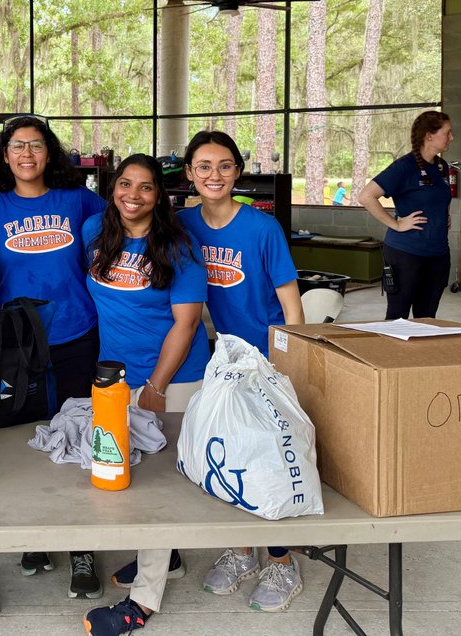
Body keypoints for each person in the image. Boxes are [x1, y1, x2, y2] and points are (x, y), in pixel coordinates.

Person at [174, 130, 305, 617]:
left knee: (268, 454)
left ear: (238, 172)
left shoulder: (260, 228)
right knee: (228, 454)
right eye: (204, 166)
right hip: (221, 359)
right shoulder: (182, 224)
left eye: (225, 166)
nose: (214, 175)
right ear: (188, 172)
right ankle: (243, 550)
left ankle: (282, 560)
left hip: (267, 356)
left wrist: (293, 363)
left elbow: (292, 303)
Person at [0, 114, 107, 599]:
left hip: (77, 333)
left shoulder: (79, 201)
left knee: (78, 440)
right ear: (4, 156)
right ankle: (35, 535)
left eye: (35, 145)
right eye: (17, 146)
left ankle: (81, 546)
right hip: (16, 341)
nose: (27, 154)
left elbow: (129, 221)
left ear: (49, 153)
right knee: (24, 444)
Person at [82, 154, 209, 635]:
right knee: (126, 473)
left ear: (161, 195)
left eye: (147, 187)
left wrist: (156, 386)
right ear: (113, 186)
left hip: (172, 380)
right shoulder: (97, 231)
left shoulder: (178, 245)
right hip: (117, 378)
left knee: (157, 490)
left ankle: (144, 601)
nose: (133, 195)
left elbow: (188, 321)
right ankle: (165, 556)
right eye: (125, 184)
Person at [357, 110, 454, 319]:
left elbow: (439, 197)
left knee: (427, 318)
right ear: (429, 136)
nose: (451, 138)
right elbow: (366, 196)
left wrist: (442, 214)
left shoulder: (441, 166)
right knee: (397, 316)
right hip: (406, 254)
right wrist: (396, 224)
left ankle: (420, 354)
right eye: (448, 133)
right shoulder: (404, 167)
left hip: (438, 255)